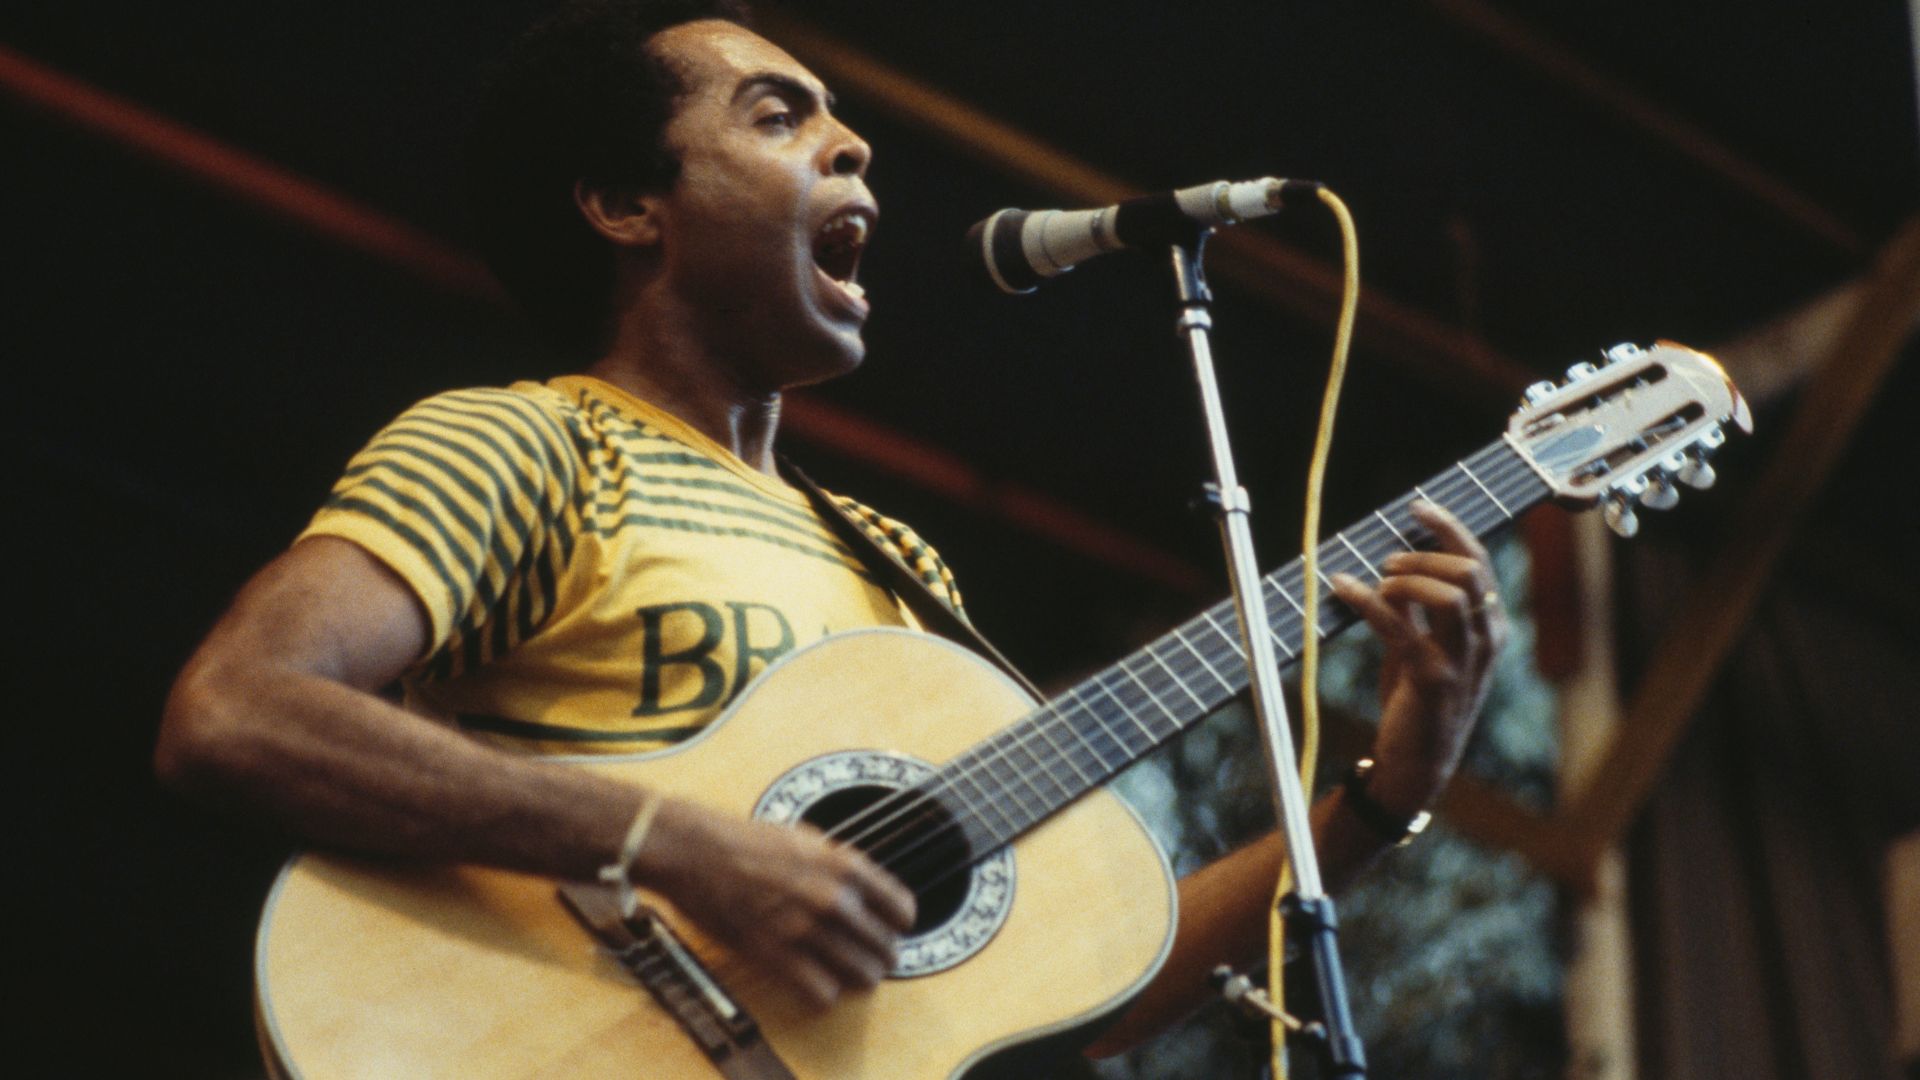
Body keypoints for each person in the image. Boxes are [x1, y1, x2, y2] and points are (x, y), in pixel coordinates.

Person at [154, 0, 1506, 1064]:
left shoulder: (900, 569)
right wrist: (684, 846)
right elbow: (237, 711)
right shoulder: (531, 444)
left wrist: (1387, 792)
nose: (852, 143)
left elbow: (1086, 998)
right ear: (629, 207)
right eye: (777, 113)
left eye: (841, 120)